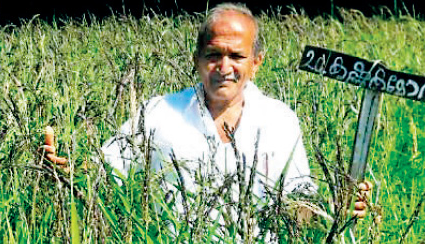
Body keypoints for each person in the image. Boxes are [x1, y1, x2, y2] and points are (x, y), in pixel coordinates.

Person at [42, 3, 372, 220]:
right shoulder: (159, 113)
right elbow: (104, 169)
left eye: (237, 56)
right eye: (214, 54)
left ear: (256, 64)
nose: (223, 67)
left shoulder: (280, 120)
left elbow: (296, 207)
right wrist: (66, 167)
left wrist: (336, 209)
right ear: (197, 58)